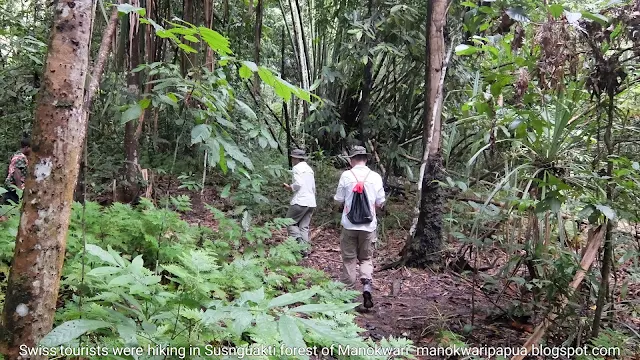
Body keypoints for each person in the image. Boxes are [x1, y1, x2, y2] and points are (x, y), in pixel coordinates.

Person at [334, 145, 385, 309]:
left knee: (349, 259)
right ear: (366, 159)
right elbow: (380, 202)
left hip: (349, 225)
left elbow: (338, 199)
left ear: (351, 160)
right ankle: (367, 286)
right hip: (369, 226)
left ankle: (347, 297)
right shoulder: (375, 177)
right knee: (366, 258)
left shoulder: (346, 175)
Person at [283, 149, 316, 256]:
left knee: (289, 222)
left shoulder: (297, 168)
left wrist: (290, 187)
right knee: (304, 227)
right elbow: (313, 187)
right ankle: (305, 252)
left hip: (300, 201)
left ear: (297, 158)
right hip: (311, 202)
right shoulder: (309, 169)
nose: (292, 160)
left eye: (293, 158)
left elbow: (298, 184)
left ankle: (300, 243)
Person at [3, 136, 31, 205]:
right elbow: (16, 172)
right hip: (14, 188)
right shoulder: (20, 157)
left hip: (12, 187)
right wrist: (19, 188)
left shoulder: (17, 155)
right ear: (26, 147)